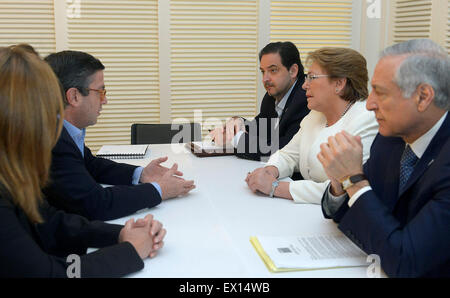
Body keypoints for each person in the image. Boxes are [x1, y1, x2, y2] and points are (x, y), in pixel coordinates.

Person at [0, 44, 166, 277]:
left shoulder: (11, 173)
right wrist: (130, 251)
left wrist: (120, 234)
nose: (57, 120)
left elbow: (50, 221)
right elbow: (51, 273)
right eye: (50, 109)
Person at [318, 39, 450, 277]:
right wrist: (340, 183)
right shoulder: (391, 139)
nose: (369, 105)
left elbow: (405, 262)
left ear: (423, 97)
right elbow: (354, 211)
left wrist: (354, 179)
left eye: (380, 92)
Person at [43, 50, 195, 221]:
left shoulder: (61, 129)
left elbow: (91, 165)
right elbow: (97, 204)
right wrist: (159, 189)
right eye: (100, 92)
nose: (105, 100)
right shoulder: (53, 140)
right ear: (74, 96)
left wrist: (142, 174)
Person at [245, 47, 378, 204]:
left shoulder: (366, 119)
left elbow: (343, 189)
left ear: (339, 83)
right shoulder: (316, 114)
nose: (304, 85)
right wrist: (269, 171)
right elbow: (289, 154)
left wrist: (275, 187)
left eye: (311, 77)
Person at [209, 41, 310, 161]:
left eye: (273, 70)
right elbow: (260, 129)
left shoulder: (306, 98)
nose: (265, 79)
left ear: (293, 71)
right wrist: (236, 124)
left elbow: (283, 150)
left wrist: (236, 138)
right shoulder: (271, 96)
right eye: (263, 71)